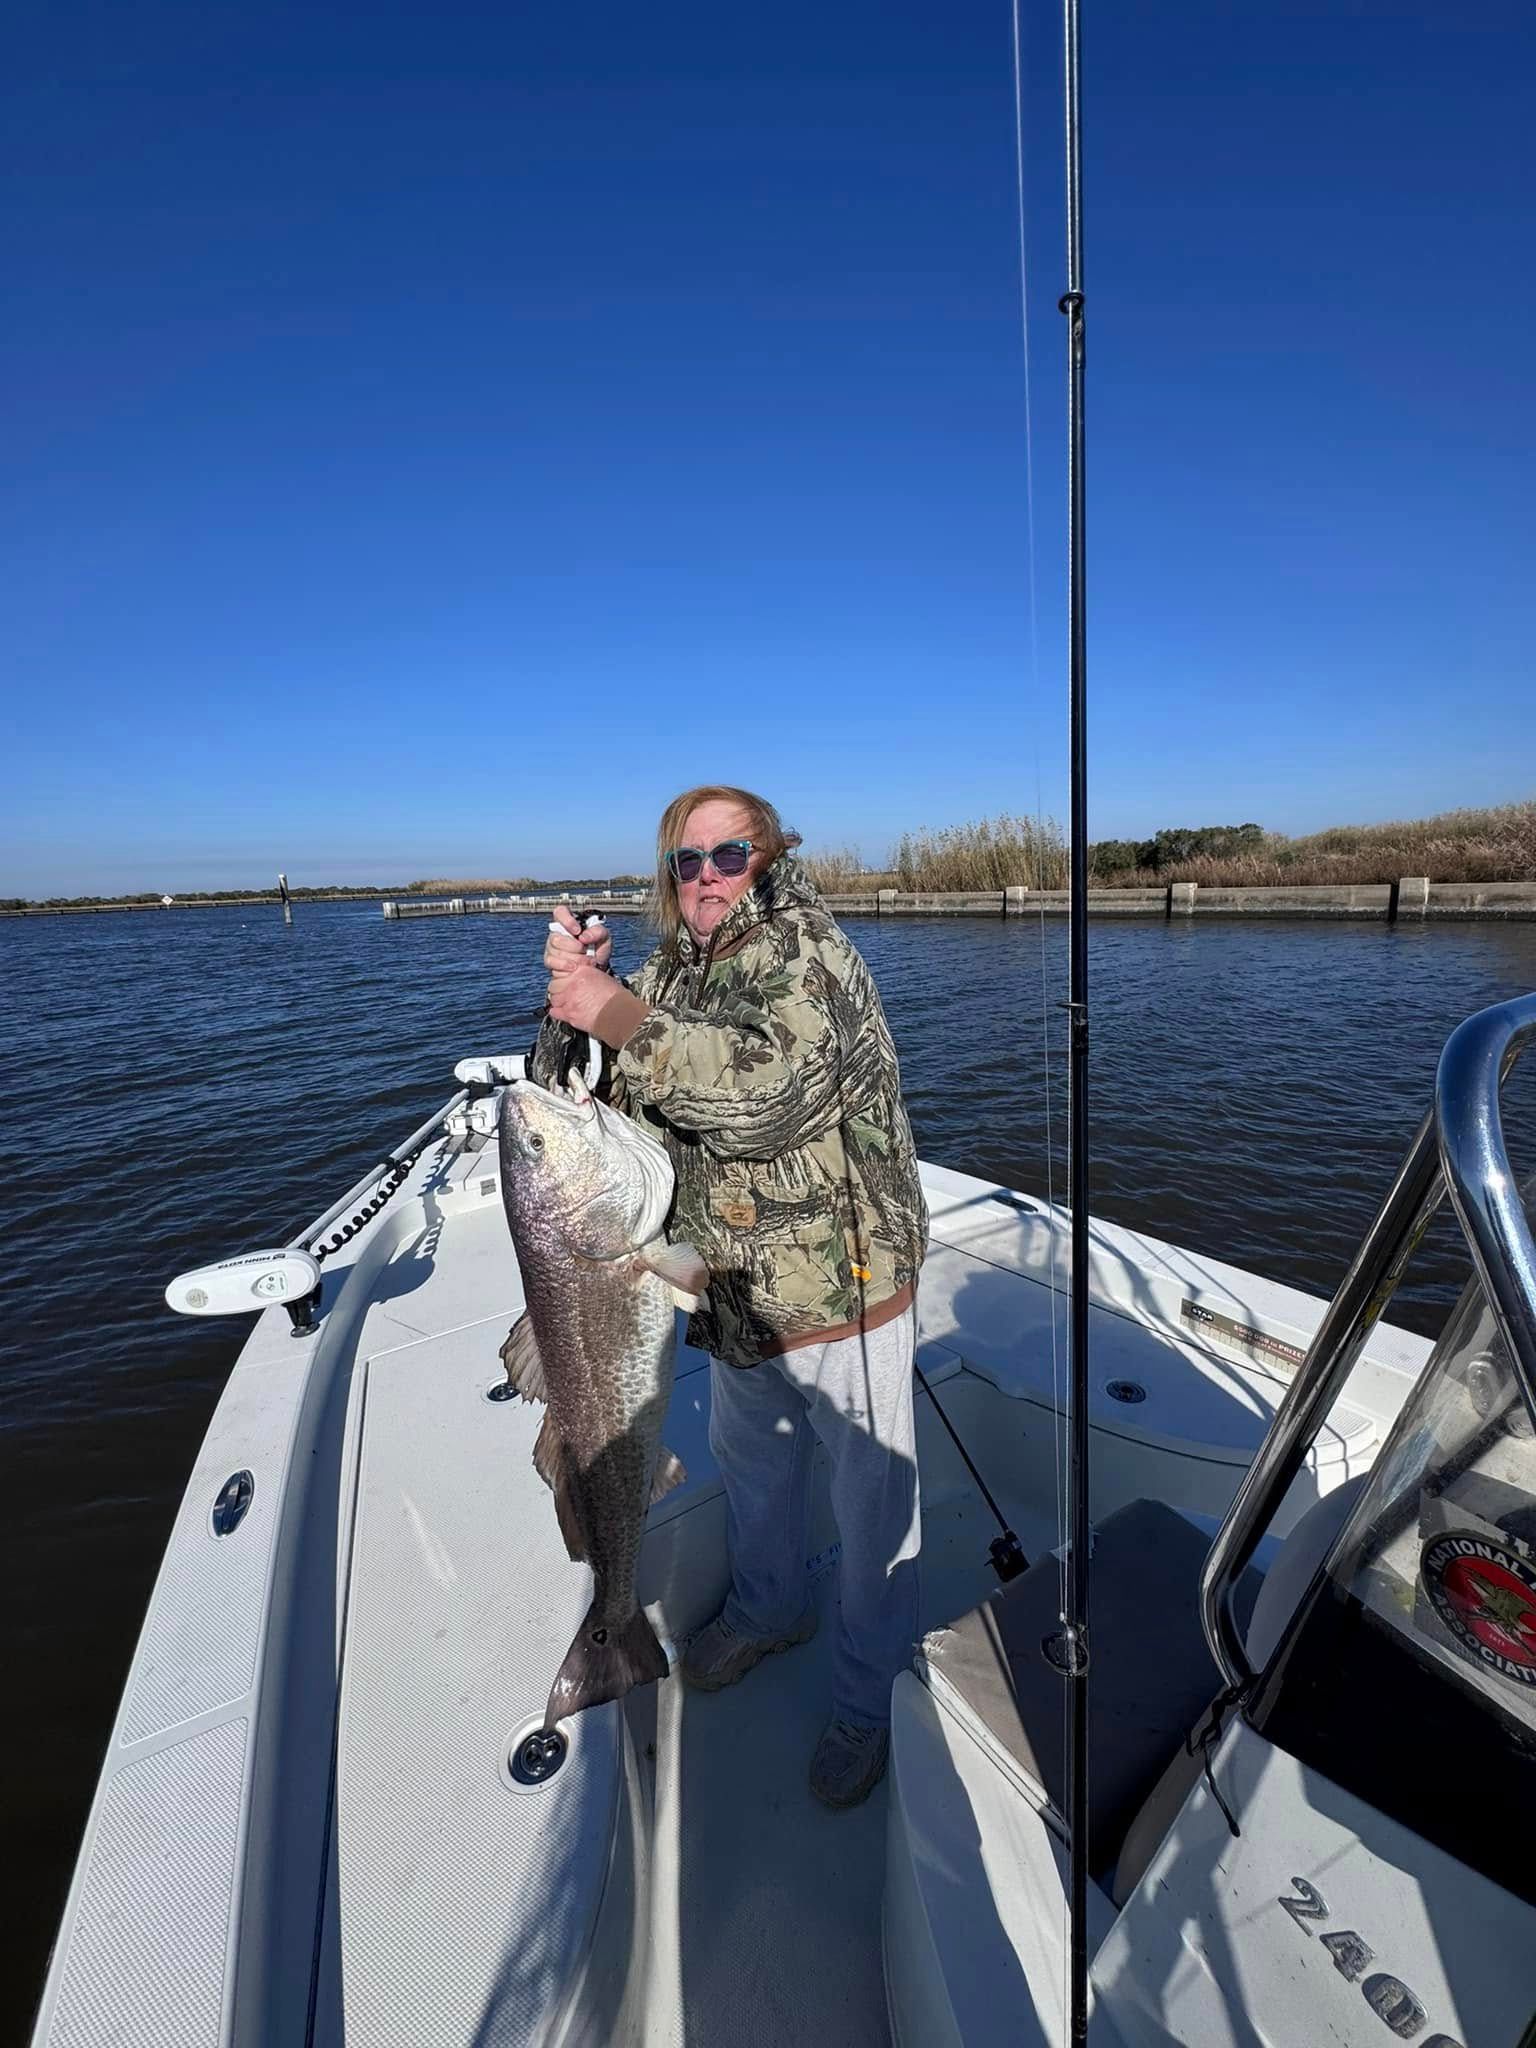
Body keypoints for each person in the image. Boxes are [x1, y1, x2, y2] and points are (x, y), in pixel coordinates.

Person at [533, 784, 928, 1806]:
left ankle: (867, 1698)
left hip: (845, 1287)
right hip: (734, 1286)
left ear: (768, 854)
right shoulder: (676, 964)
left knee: (870, 1504)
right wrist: (585, 998)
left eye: (727, 853)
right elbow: (620, 1110)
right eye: (686, 861)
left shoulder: (809, 949)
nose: (705, 876)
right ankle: (768, 1607)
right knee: (755, 1464)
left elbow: (757, 1095)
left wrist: (613, 1012)